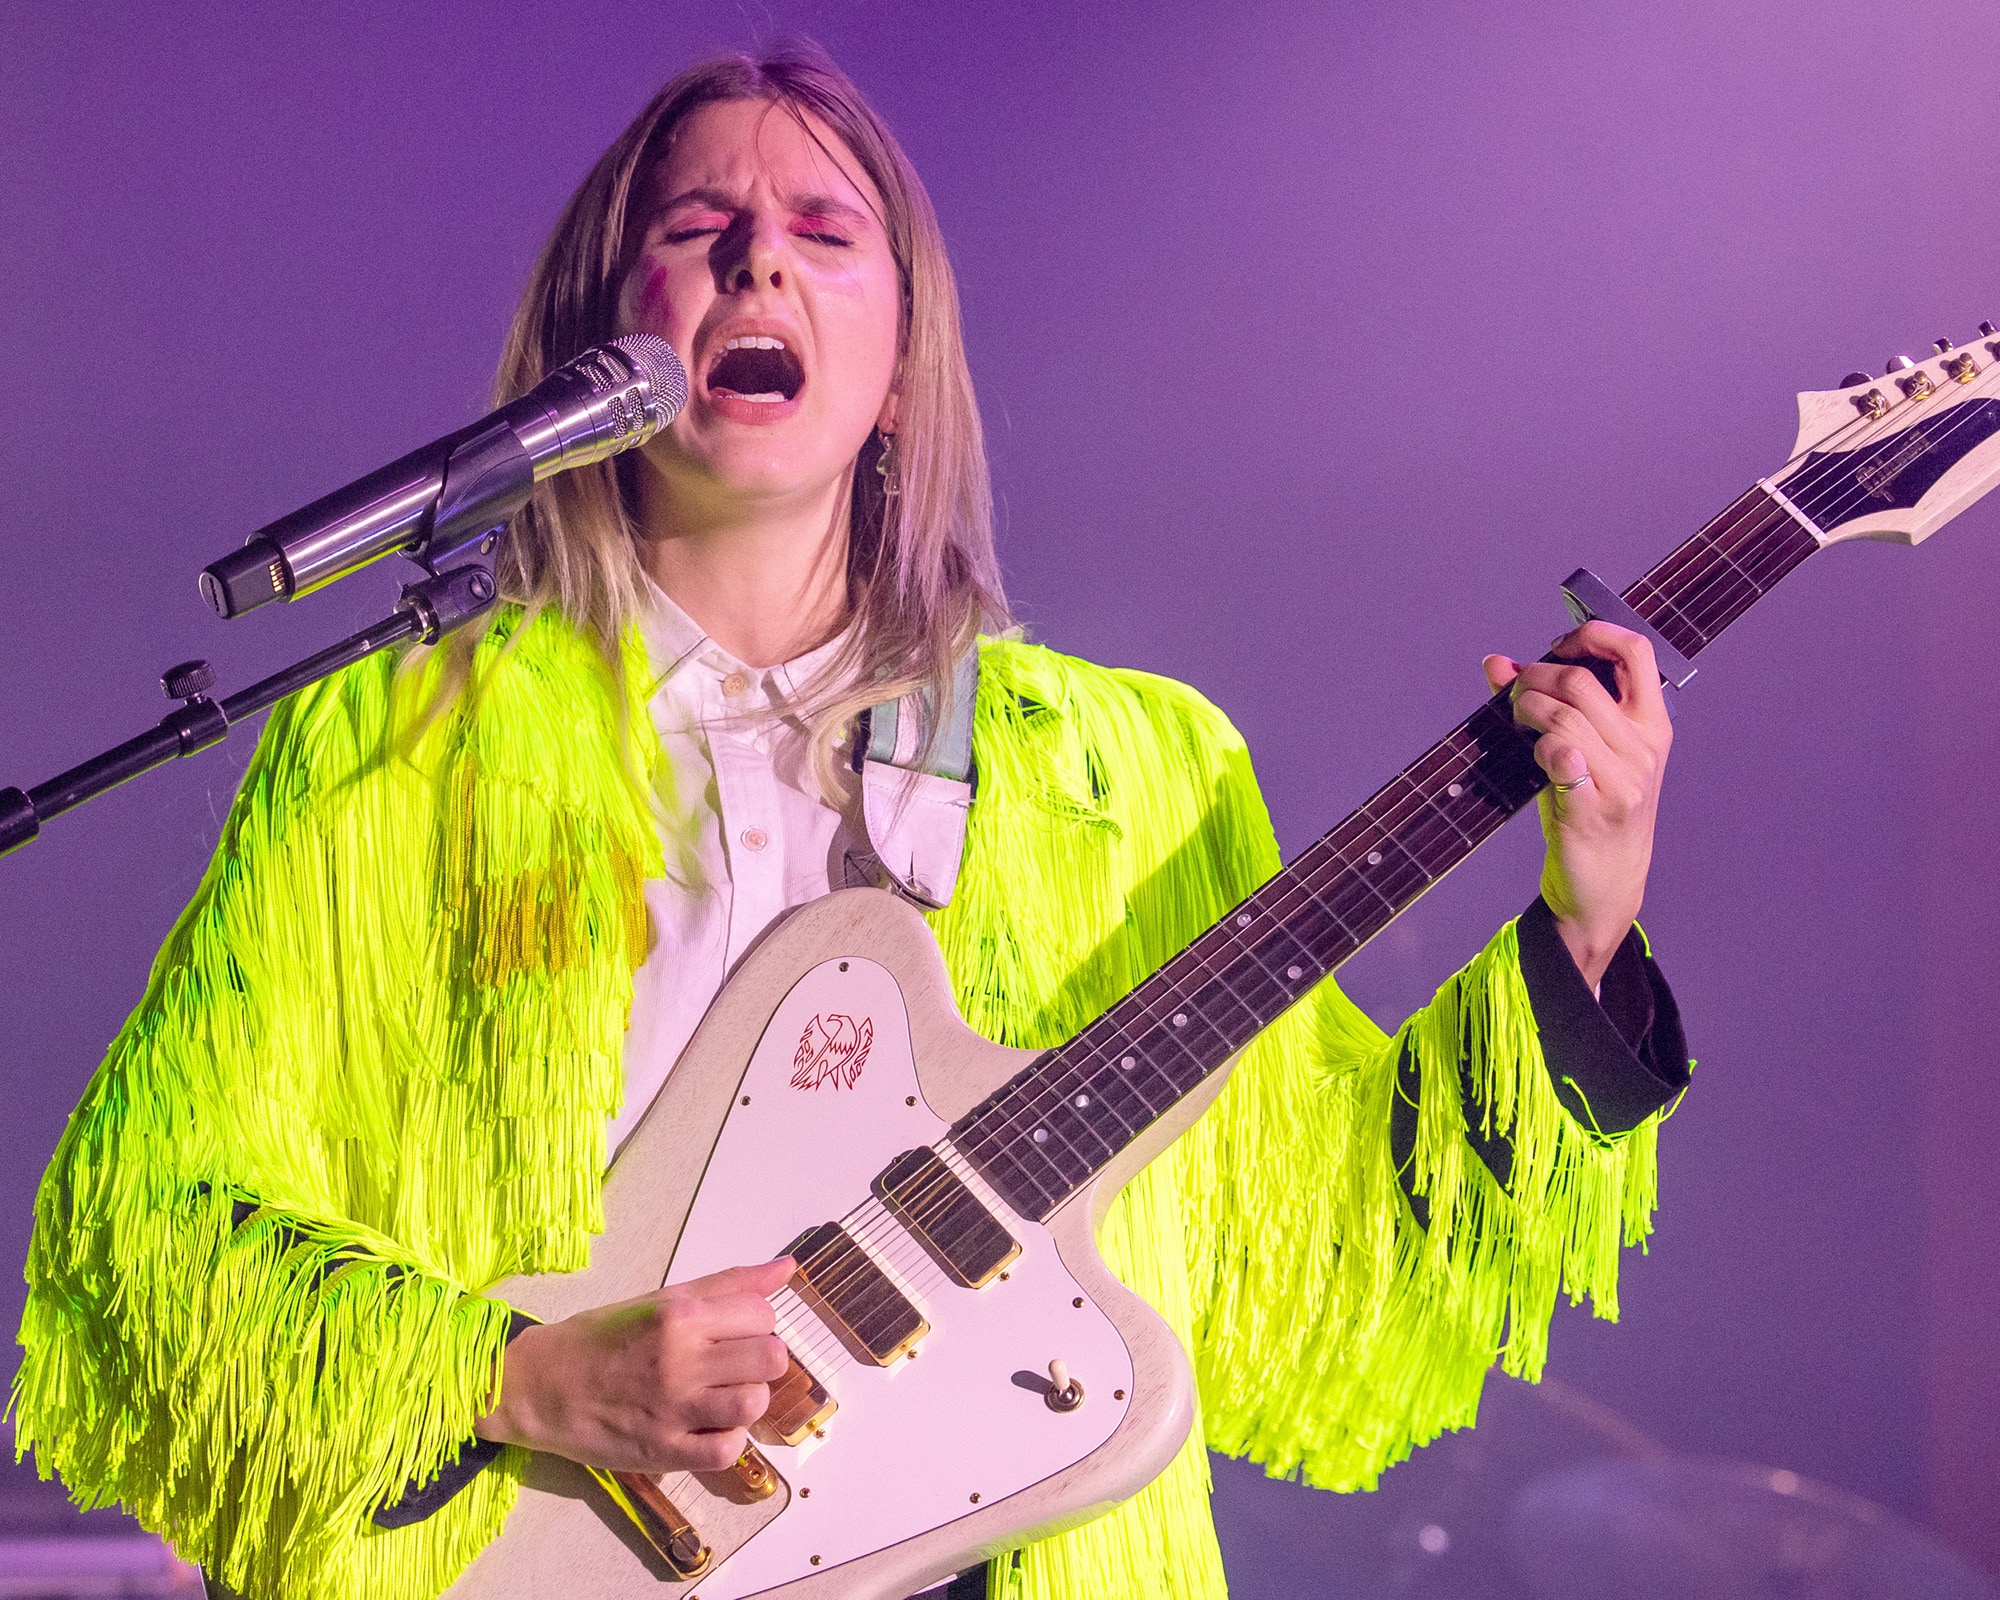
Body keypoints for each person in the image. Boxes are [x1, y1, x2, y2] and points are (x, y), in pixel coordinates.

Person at [12, 42, 1688, 1600]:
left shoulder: (1127, 776)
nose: (761, 263)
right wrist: (521, 1377)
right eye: (702, 227)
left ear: (900, 364)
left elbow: (1325, 1238)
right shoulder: (396, 744)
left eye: (826, 230)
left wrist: (1585, 919)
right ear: (607, 330)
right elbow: (152, 1228)